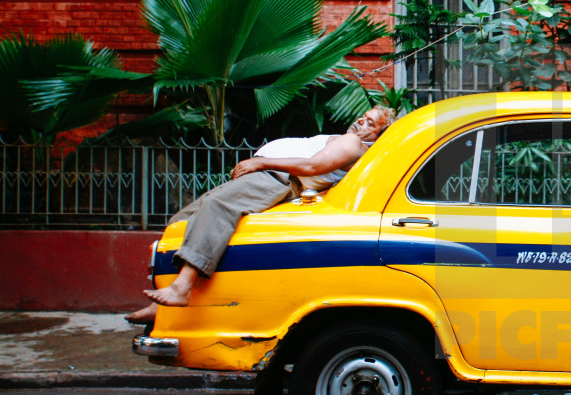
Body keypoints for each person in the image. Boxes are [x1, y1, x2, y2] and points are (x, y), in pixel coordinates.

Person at [125, 106, 395, 324]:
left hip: (276, 178)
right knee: (182, 222)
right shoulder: (349, 141)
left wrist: (259, 161)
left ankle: (182, 287)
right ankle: (161, 308)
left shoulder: (353, 143)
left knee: (219, 206)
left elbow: (314, 165)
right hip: (270, 176)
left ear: (378, 136)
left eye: (371, 123)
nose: (361, 122)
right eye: (363, 116)